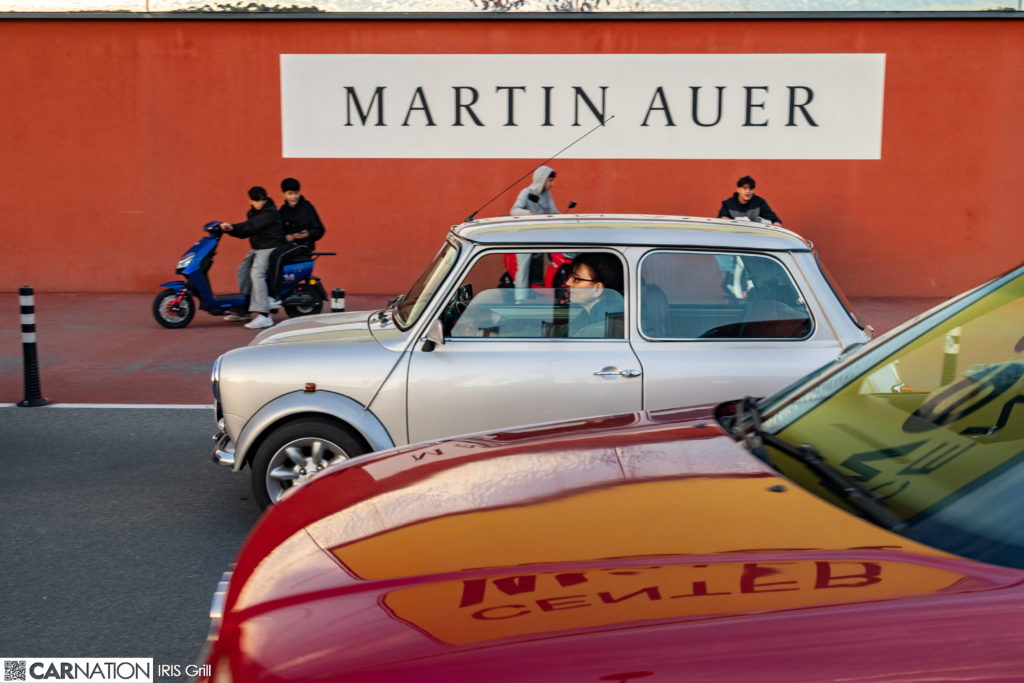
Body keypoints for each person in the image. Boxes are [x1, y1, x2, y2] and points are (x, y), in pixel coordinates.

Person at [220, 186, 285, 330]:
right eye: (257, 200)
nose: (260, 202)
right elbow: (247, 231)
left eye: (262, 199)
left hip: (270, 246)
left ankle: (264, 315)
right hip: (257, 248)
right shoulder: (251, 213)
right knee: (242, 270)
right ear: (250, 201)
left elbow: (253, 225)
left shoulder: (270, 212)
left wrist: (232, 227)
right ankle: (244, 309)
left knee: (257, 273)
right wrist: (230, 230)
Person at [265, 177, 326, 306]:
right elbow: (279, 230)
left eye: (296, 193)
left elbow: (320, 229)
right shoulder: (283, 210)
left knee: (276, 256)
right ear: (284, 194)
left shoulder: (307, 207)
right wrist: (286, 236)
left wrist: (308, 234)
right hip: (289, 244)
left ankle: (274, 296)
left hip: (304, 244)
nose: (293, 196)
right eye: (290, 193)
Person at [508, 166, 564, 299]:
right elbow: (514, 210)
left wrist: (563, 219)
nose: (552, 184)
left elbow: (553, 211)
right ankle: (520, 298)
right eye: (550, 181)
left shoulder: (547, 194)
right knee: (524, 265)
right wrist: (529, 214)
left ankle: (540, 290)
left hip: (541, 236)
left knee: (549, 260)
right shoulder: (526, 192)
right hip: (525, 237)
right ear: (542, 179)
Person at [552, 252, 625, 338]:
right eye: (570, 277)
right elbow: (563, 330)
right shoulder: (589, 315)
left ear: (597, 289)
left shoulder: (596, 330)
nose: (568, 282)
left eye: (576, 279)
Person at [717, 176, 783, 226]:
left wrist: (776, 223)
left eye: (751, 188)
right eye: (745, 188)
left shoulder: (759, 202)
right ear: (738, 189)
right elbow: (722, 220)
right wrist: (725, 220)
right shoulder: (728, 204)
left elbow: (775, 220)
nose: (748, 191)